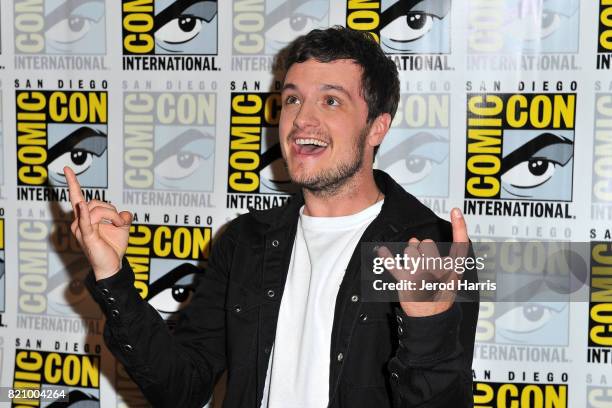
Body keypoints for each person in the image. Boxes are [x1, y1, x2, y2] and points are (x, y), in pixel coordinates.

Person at [64, 26, 479, 408]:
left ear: (377, 128)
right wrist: (112, 278)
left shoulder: (430, 248)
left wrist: (429, 327)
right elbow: (181, 388)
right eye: (293, 99)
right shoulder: (245, 240)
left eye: (331, 100)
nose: (302, 120)